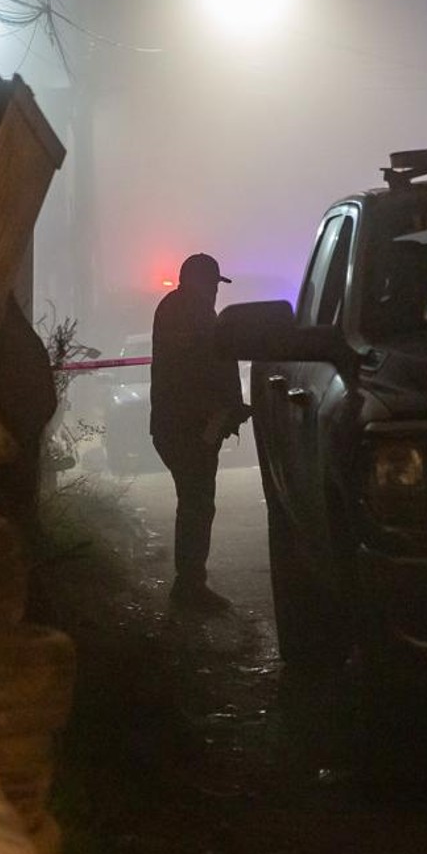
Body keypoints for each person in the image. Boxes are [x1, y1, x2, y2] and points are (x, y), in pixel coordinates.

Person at [149, 253, 252, 612]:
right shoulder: (194, 313)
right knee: (196, 503)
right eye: (213, 283)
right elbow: (209, 366)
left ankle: (190, 581)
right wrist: (226, 408)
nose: (214, 292)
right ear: (203, 281)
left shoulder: (174, 308)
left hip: (178, 424)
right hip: (189, 427)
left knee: (194, 502)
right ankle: (190, 585)